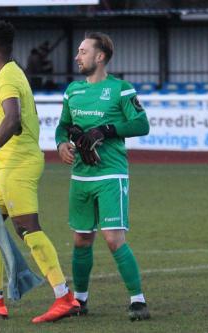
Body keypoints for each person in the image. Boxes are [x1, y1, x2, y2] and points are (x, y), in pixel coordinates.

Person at [0, 20, 80, 324]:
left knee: (27, 227)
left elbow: (12, 121)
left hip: (17, 164)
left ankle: (65, 297)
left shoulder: (6, 78)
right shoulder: (8, 74)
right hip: (8, 163)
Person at [55, 32, 151, 321]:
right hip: (80, 177)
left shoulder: (120, 89)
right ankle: (80, 300)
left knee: (113, 239)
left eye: (83, 51)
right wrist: (62, 144)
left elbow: (141, 123)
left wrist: (106, 130)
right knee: (81, 239)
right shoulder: (73, 91)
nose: (77, 56)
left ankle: (138, 300)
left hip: (111, 175)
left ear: (100, 56)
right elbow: (63, 126)